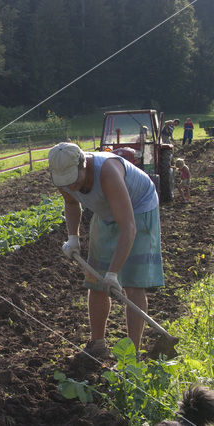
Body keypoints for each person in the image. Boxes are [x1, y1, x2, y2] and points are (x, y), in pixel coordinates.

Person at [48, 142, 164, 359]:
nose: (71, 186)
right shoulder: (62, 174)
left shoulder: (108, 172)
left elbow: (128, 227)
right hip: (105, 213)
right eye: (66, 182)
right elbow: (72, 204)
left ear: (84, 164)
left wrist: (113, 274)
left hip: (138, 210)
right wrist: (73, 237)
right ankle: (98, 345)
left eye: (75, 180)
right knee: (96, 281)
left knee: (133, 283)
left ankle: (132, 355)